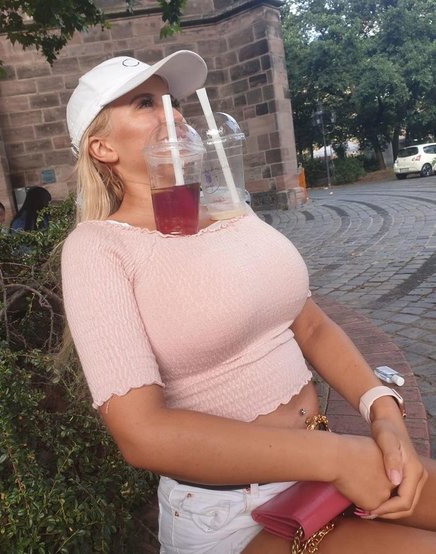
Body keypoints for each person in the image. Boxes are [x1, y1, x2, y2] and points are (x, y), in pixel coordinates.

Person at [61, 51, 436, 553]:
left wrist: (381, 409)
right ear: (102, 147)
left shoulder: (229, 207)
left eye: (172, 101)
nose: (173, 114)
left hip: (325, 462)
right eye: (145, 103)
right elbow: (142, 433)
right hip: (235, 510)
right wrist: (338, 457)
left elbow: (310, 325)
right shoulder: (99, 248)